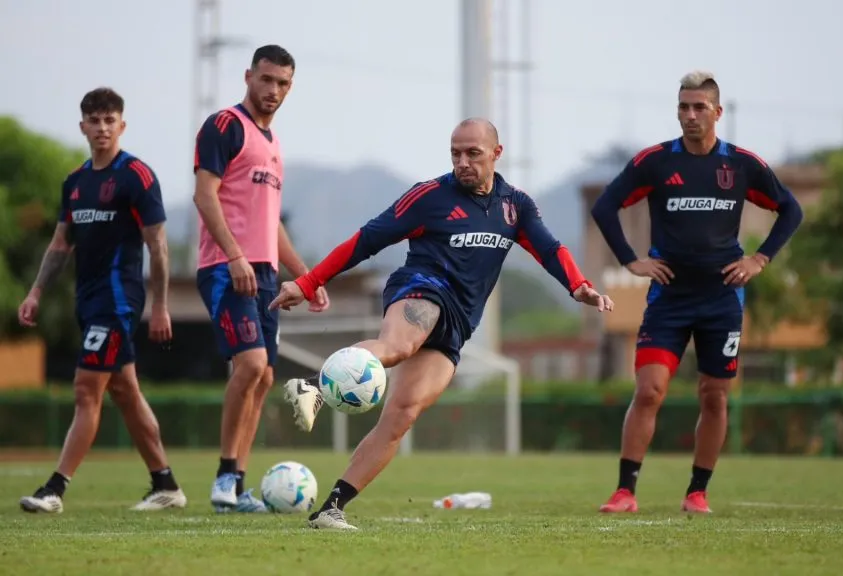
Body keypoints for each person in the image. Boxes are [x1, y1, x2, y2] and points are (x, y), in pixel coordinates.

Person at [272, 118, 614, 530]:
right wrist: (309, 283)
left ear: (496, 153)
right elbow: (366, 240)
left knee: (402, 414)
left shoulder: (515, 206)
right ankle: (311, 385)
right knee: (398, 347)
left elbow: (548, 247)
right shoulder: (429, 196)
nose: (463, 162)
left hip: (459, 323)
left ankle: (330, 509)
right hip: (422, 288)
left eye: (473, 153)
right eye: (455, 153)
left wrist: (579, 285)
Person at [590, 71, 804, 515]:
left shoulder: (741, 165)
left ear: (717, 112)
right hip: (669, 298)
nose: (690, 115)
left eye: (699, 107)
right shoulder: (656, 162)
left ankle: (697, 492)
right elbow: (605, 205)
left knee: (714, 394)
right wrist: (631, 260)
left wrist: (758, 259)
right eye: (684, 107)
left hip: (722, 299)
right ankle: (625, 490)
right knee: (649, 391)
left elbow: (791, 209)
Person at [17, 87, 185, 513]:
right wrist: (36, 291)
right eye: (94, 120)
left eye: (110, 120)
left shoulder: (137, 177)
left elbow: (159, 247)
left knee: (85, 390)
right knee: (125, 392)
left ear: (122, 125)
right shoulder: (74, 182)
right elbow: (60, 244)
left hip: (118, 302)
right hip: (86, 302)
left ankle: (54, 489)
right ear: (83, 127)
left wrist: (160, 305)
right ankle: (166, 485)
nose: (103, 128)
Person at [193, 44, 330, 513]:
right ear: (248, 76)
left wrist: (307, 277)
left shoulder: (273, 144)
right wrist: (234, 256)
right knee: (250, 366)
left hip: (266, 273)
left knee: (266, 375)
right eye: (267, 79)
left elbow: (271, 223)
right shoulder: (225, 126)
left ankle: (236, 485)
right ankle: (223, 478)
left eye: (284, 84)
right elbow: (204, 196)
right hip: (226, 267)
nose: (274, 91)